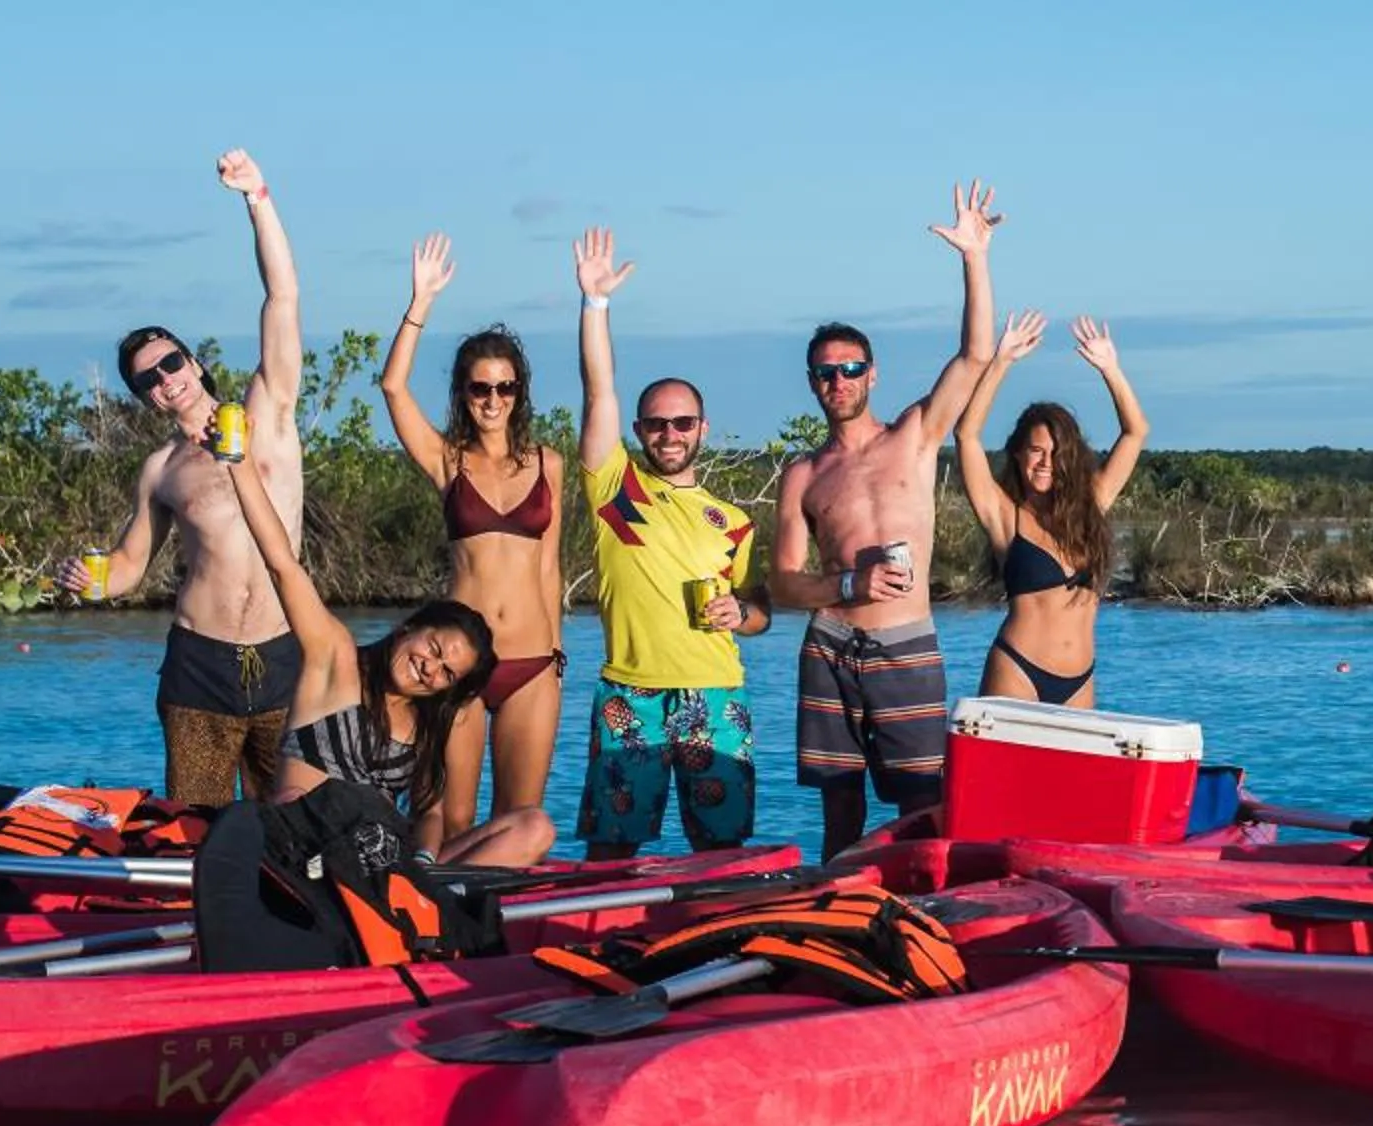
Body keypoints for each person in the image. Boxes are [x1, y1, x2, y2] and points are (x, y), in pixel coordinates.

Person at [56, 150, 306, 806]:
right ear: (146, 398)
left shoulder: (269, 411)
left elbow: (282, 296)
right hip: (199, 665)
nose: (166, 379)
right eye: (149, 378)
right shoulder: (161, 469)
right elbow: (128, 566)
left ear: (193, 362)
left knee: (297, 828)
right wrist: (90, 580)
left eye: (171, 363)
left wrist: (257, 198)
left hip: (286, 653)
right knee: (196, 834)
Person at [770, 183, 1000, 858]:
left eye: (851, 369)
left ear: (872, 375)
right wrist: (848, 585)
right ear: (811, 382)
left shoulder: (914, 436)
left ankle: (925, 904)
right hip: (829, 647)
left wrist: (974, 257)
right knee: (838, 807)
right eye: (826, 372)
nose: (838, 381)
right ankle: (833, 903)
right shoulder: (803, 474)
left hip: (905, 645)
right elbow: (783, 582)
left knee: (924, 803)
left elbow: (975, 357)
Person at [217, 453, 552, 865]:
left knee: (535, 827)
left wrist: (423, 859)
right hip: (310, 856)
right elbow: (282, 566)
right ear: (410, 628)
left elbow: (430, 813)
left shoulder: (426, 719)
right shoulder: (335, 661)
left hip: (384, 864)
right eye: (434, 649)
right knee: (293, 801)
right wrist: (238, 462)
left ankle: (425, 895)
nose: (430, 668)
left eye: (447, 673)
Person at [570, 226, 774, 861]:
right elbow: (598, 389)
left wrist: (741, 613)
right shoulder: (616, 490)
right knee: (611, 850)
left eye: (682, 422)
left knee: (723, 848)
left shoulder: (733, 521)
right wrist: (595, 304)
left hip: (715, 693)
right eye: (657, 424)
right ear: (638, 430)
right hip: (629, 693)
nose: (670, 433)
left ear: (702, 428)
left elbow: (760, 612)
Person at [377, 234, 568, 852]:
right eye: (480, 388)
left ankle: (498, 912)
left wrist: (557, 657)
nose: (492, 400)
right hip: (459, 665)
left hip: (533, 663)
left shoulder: (548, 463)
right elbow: (392, 388)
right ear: (462, 392)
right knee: (448, 815)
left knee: (520, 819)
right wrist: (420, 304)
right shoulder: (446, 460)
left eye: (504, 388)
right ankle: (427, 902)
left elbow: (549, 566)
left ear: (520, 393)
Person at [952, 309, 1150, 706]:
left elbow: (1135, 432)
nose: (1046, 462)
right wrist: (1001, 362)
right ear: (1018, 453)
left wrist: (1110, 369)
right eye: (1036, 450)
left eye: (1057, 453)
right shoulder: (1005, 517)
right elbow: (966, 435)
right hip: (1017, 670)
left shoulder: (1091, 505)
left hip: (1079, 680)